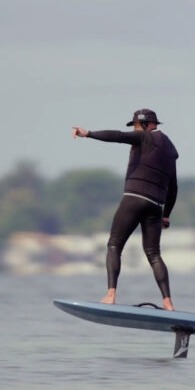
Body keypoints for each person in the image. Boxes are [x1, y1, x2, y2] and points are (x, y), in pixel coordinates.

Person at [71, 109, 179, 311]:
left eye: (137, 126)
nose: (135, 131)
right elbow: (173, 186)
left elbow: (118, 136)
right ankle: (168, 302)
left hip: (135, 198)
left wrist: (89, 134)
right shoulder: (170, 149)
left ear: (146, 125)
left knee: (114, 245)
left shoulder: (145, 137)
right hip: (156, 205)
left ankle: (110, 295)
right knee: (154, 253)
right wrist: (166, 215)